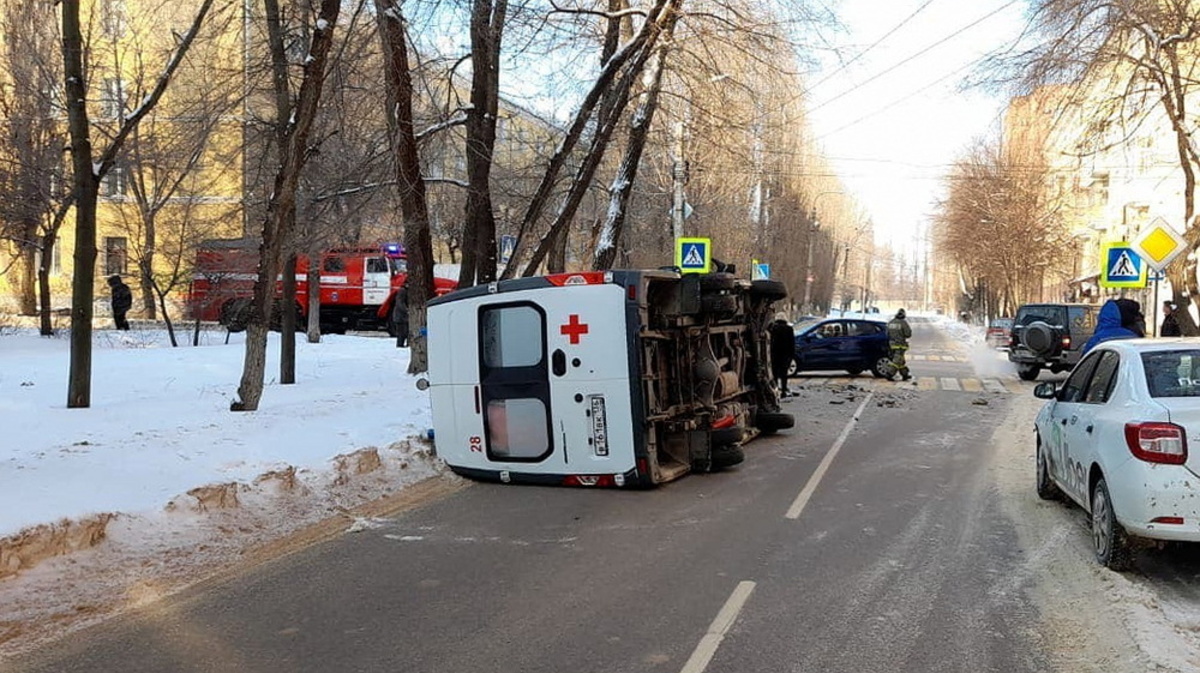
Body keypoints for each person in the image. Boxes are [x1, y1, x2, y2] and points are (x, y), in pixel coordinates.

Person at [767, 312, 796, 398]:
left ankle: (775, 391)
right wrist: (791, 356)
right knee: (784, 374)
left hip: (775, 354)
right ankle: (783, 391)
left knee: (774, 374)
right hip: (785, 355)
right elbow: (792, 343)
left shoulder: (773, 328)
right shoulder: (789, 329)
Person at [886, 308, 912, 381]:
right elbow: (908, 334)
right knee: (897, 361)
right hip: (900, 345)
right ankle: (889, 373)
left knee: (901, 360)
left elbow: (886, 333)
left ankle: (905, 374)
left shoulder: (891, 322)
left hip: (891, 344)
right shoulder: (903, 323)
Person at [391, 279, 410, 348]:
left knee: (404, 332)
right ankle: (400, 345)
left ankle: (401, 345)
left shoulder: (405, 290)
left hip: (402, 316)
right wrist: (406, 310)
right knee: (402, 333)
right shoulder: (402, 291)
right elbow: (400, 303)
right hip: (400, 316)